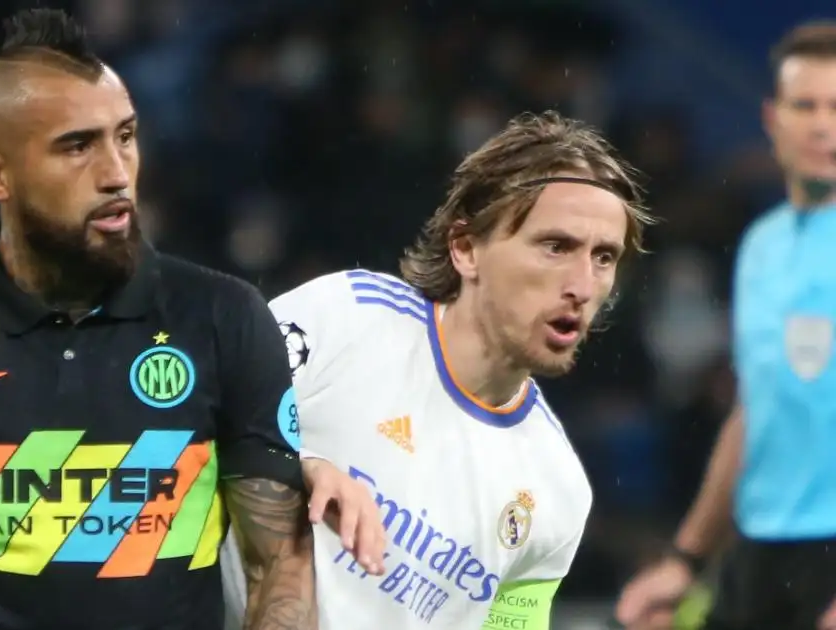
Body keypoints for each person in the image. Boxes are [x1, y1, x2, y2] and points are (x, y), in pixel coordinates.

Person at [0, 9, 382, 630]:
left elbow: (278, 566)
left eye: (125, 135)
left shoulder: (224, 318)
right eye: (77, 146)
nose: (116, 174)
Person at [222, 110, 655, 629]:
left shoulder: (558, 488)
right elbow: (190, 424)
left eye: (603, 257)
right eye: (555, 246)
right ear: (466, 247)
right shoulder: (345, 318)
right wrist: (299, 465)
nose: (582, 286)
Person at [615, 21, 836, 630]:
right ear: (773, 117)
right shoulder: (760, 247)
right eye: (806, 105)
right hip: (758, 552)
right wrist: (684, 561)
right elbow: (751, 414)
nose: (822, 123)